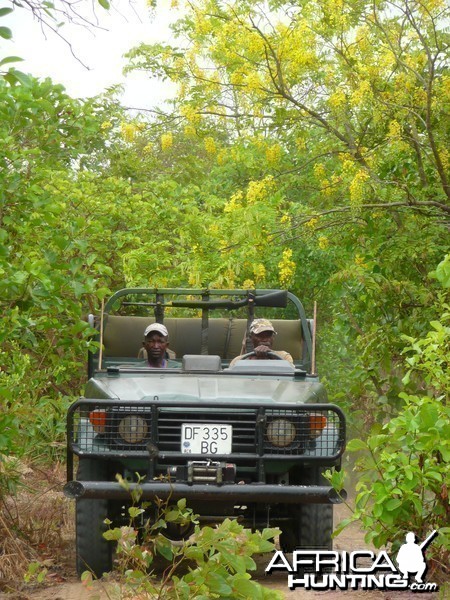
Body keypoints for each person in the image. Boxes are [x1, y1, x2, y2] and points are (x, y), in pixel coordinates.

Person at [229, 318, 294, 367]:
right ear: (251, 338)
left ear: (273, 338)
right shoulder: (238, 361)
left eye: (268, 335)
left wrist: (272, 357)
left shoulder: (284, 356)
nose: (265, 340)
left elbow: (291, 375)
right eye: (260, 335)